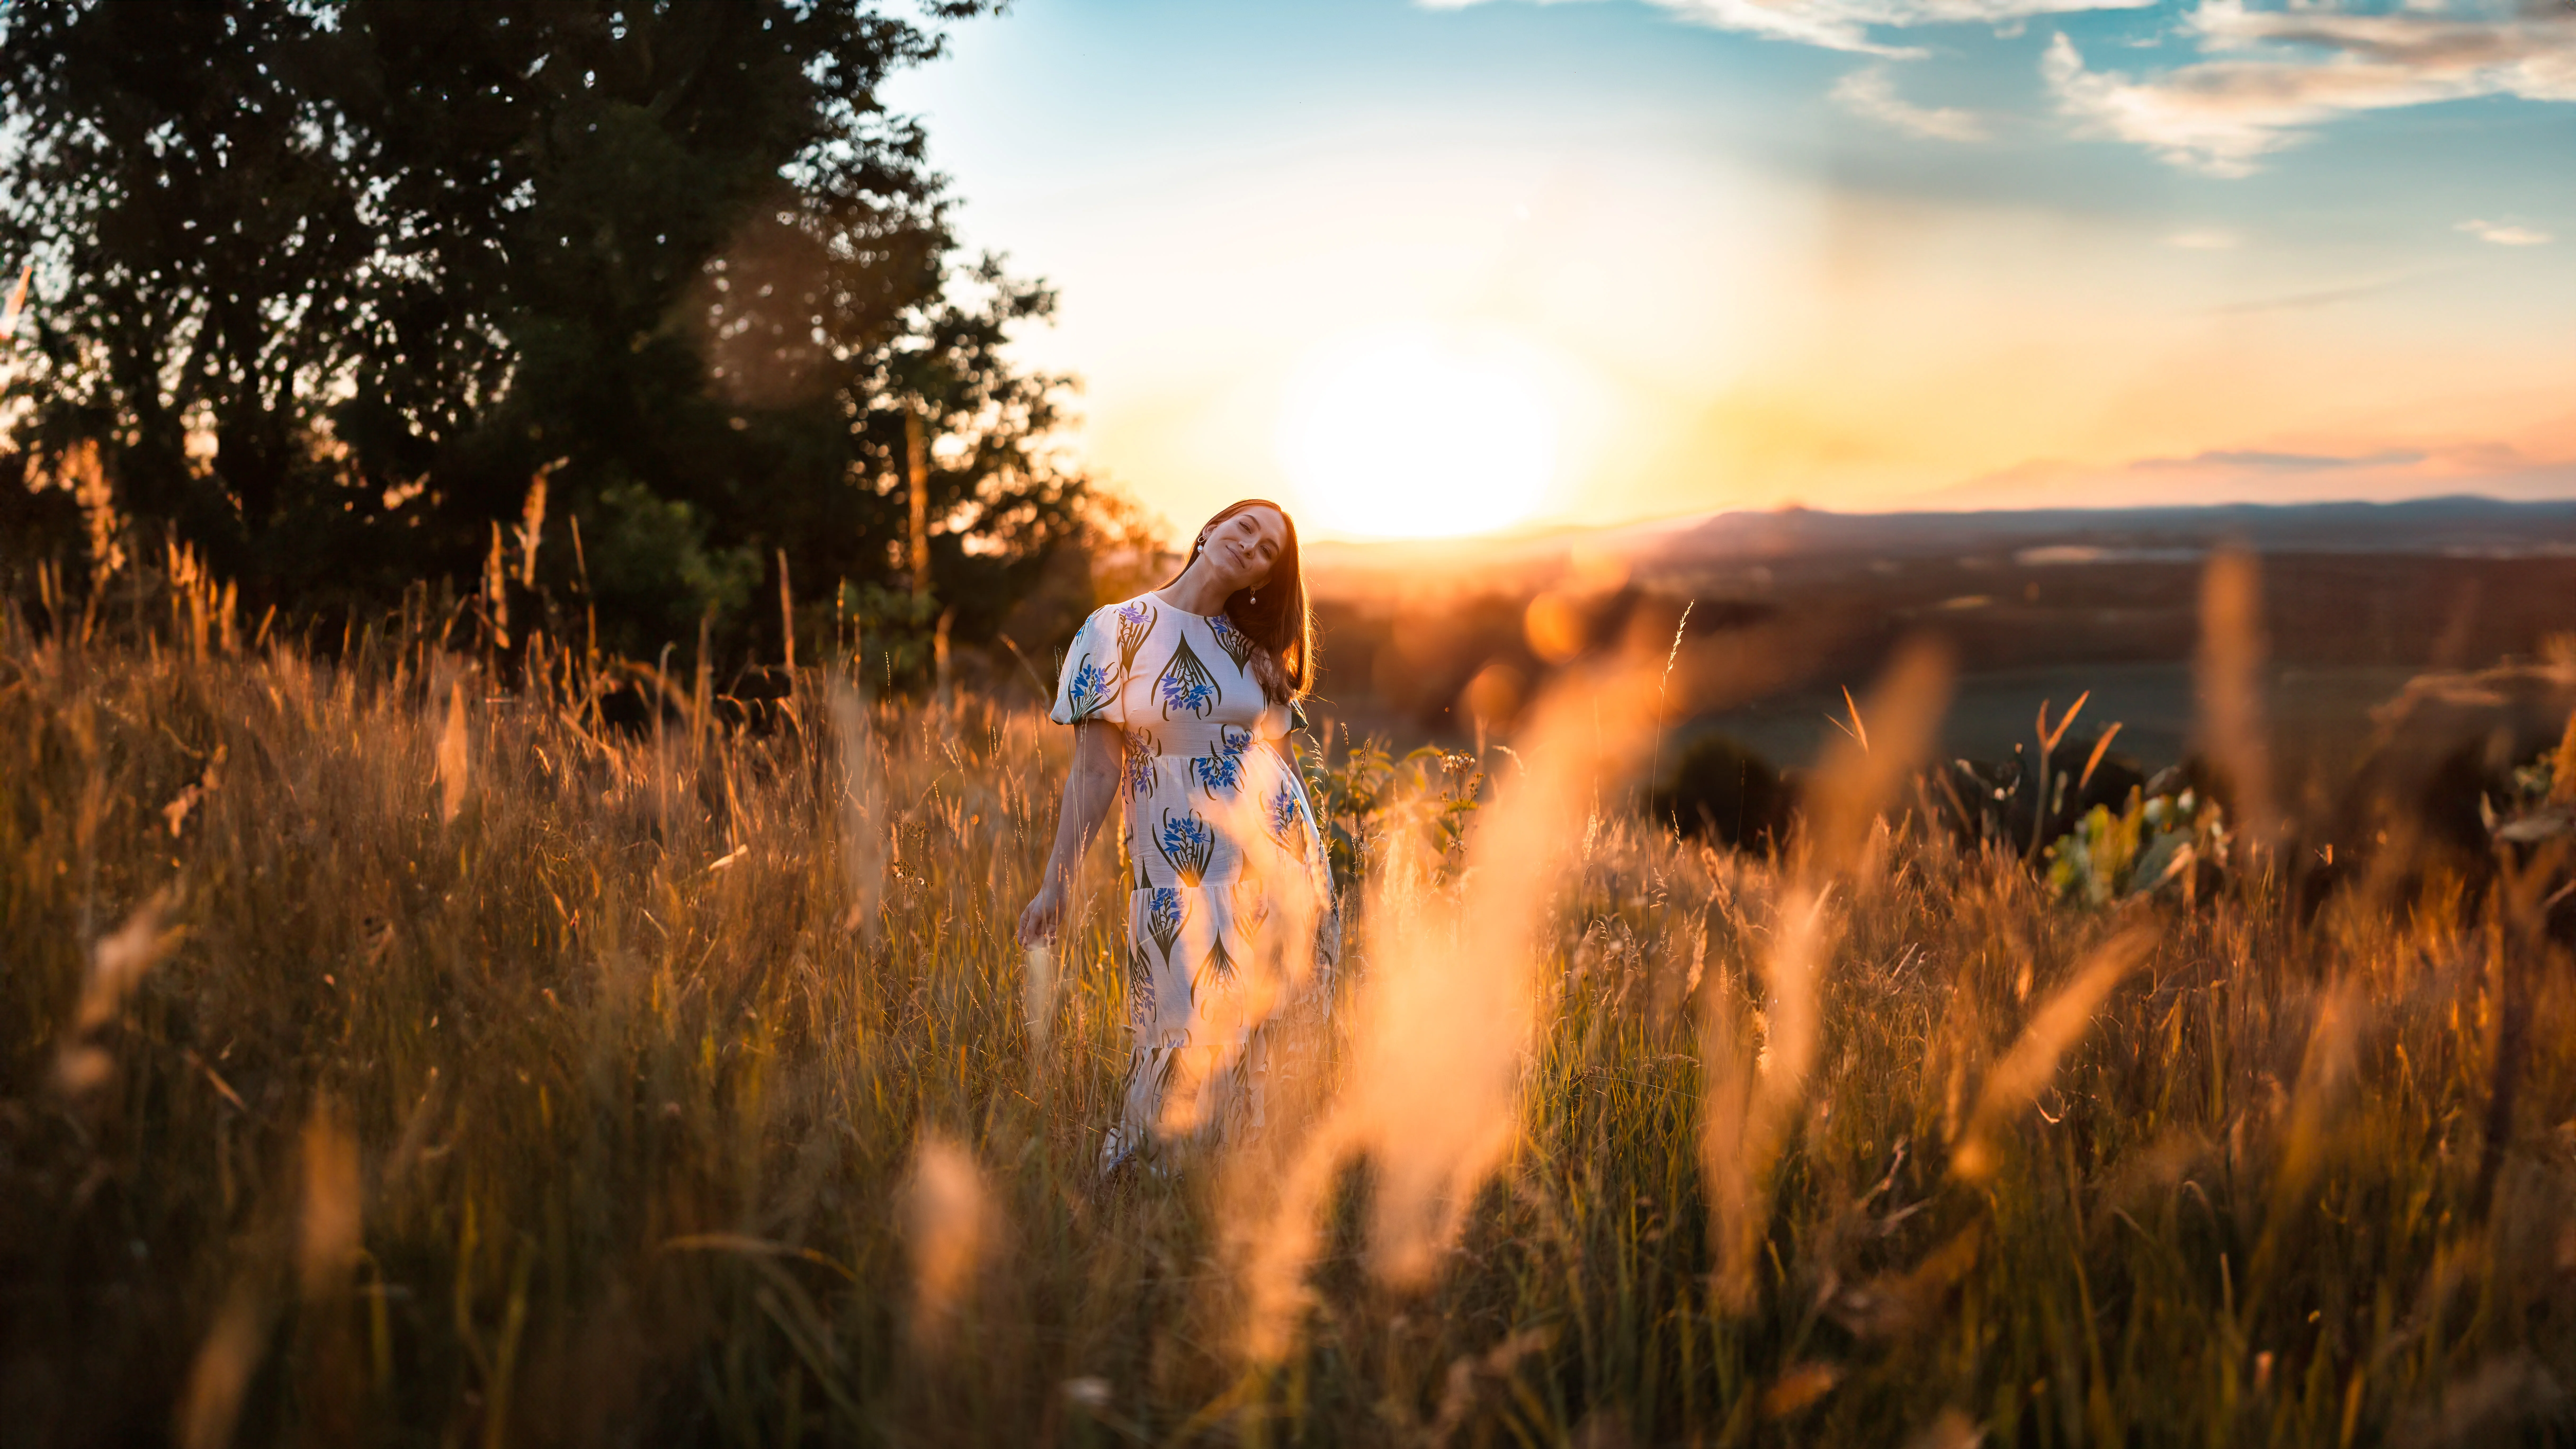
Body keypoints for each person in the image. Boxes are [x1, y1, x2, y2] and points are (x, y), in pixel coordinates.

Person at [1017, 499, 1338, 1172]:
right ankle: (1146, 1177)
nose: (1250, 548)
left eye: (1267, 553)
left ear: (1263, 579)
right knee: (1173, 1021)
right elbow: (1097, 771)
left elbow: (1278, 766)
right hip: (1175, 865)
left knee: (1263, 1027)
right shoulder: (1117, 629)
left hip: (1274, 864)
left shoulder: (1252, 654)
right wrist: (1057, 882)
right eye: (1244, 529)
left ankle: (1239, 1185)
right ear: (1210, 529)